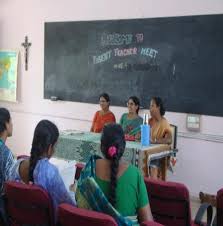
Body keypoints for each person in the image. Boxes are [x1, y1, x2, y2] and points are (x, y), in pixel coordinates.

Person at [76, 123, 153, 225]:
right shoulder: (135, 175)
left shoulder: (89, 170)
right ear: (123, 147)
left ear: (101, 146)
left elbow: (80, 208)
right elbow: (148, 221)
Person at [9, 120, 75, 218]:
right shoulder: (51, 172)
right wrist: (72, 191)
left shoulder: (17, 165)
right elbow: (68, 206)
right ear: (50, 147)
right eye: (55, 146)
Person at [149, 97, 172, 179]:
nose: (150, 109)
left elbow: (169, 139)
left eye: (152, 106)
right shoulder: (149, 121)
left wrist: (154, 141)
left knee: (152, 162)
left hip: (156, 155)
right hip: (147, 152)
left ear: (158, 107)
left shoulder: (164, 122)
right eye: (150, 106)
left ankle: (152, 186)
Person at [0, 108, 15, 194]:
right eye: (11, 121)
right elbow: (10, 186)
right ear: (6, 124)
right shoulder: (7, 154)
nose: (12, 125)